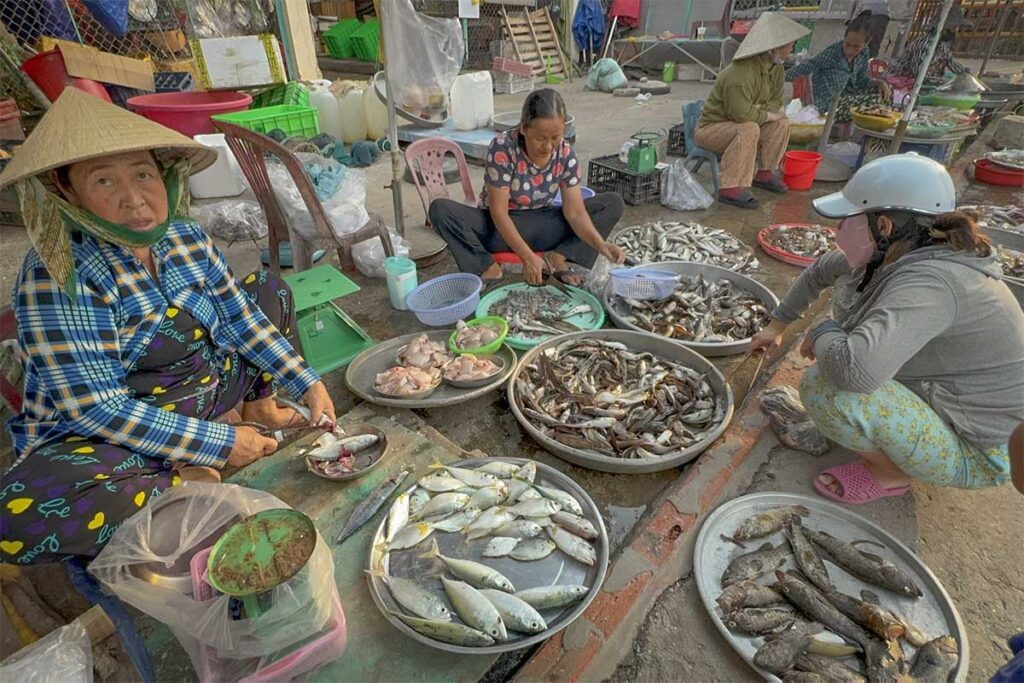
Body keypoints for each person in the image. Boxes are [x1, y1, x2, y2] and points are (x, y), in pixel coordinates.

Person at [0, 89, 335, 564]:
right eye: (104, 182)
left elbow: (240, 318)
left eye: (142, 173)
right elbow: (98, 411)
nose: (134, 199)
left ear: (165, 173)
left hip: (198, 388)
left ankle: (257, 409)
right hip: (117, 432)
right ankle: (176, 478)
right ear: (66, 191)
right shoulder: (59, 275)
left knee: (269, 291)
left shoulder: (185, 237)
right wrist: (218, 443)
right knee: (16, 516)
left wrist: (307, 381)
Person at [751, 153, 1024, 504]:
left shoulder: (933, 283)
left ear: (883, 226)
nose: (839, 230)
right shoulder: (905, 252)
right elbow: (821, 271)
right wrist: (776, 327)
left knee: (826, 386)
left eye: (849, 219)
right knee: (849, 339)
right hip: (943, 396)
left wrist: (821, 330)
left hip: (983, 449)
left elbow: (855, 373)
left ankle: (891, 473)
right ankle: (893, 441)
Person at [429, 88, 625, 288]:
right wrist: (527, 257)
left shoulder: (565, 154)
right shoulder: (503, 148)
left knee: (611, 203)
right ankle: (488, 267)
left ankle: (559, 258)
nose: (548, 146)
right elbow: (499, 212)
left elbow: (575, 213)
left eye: (555, 137)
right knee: (440, 210)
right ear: (523, 128)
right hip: (499, 228)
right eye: (540, 139)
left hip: (541, 224)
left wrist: (601, 245)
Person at [694, 12, 810, 209]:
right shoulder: (740, 72)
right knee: (749, 128)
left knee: (780, 124)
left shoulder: (776, 69)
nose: (793, 48)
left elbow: (774, 101)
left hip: (742, 122)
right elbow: (740, 114)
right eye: (791, 44)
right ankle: (730, 187)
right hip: (710, 130)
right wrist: (765, 113)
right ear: (777, 46)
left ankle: (765, 174)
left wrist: (764, 113)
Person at [785, 13, 891, 123]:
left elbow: (861, 81)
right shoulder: (833, 53)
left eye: (856, 47)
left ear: (867, 43)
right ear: (844, 38)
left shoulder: (864, 54)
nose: (849, 50)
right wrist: (776, 77)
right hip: (828, 107)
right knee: (876, 102)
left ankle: (873, 137)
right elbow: (807, 67)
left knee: (886, 93)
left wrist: (878, 83)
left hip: (849, 99)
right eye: (847, 44)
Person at [885, 5, 970, 84]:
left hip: (922, 83)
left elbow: (952, 63)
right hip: (899, 82)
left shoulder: (942, 46)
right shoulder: (923, 45)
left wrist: (965, 73)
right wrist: (945, 82)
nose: (954, 32)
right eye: (953, 28)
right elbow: (920, 75)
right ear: (943, 29)